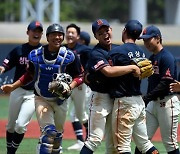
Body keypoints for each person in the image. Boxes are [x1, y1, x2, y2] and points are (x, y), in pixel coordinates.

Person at [1, 23, 83, 154]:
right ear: (48, 36)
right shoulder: (36, 55)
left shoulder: (69, 56)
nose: (57, 37)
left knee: (57, 136)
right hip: (41, 98)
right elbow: (29, 75)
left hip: (60, 100)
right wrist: (13, 86)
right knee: (48, 132)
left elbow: (80, 76)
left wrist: (70, 86)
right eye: (54, 34)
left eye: (60, 34)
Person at [80, 19, 142, 154]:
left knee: (112, 144)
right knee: (94, 139)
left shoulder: (117, 49)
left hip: (116, 99)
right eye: (100, 33)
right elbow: (106, 72)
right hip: (100, 99)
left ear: (111, 30)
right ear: (96, 37)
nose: (105, 34)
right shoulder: (96, 53)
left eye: (107, 30)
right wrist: (132, 67)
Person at [108, 20, 159, 154]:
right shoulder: (141, 52)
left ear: (124, 31)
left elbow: (107, 73)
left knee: (122, 147)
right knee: (145, 144)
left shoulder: (117, 51)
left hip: (124, 102)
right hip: (139, 102)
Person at [0, 21, 43, 154]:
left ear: (42, 34)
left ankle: (11, 152)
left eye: (39, 31)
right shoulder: (19, 50)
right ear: (27, 32)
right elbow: (6, 64)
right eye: (33, 30)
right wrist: (2, 68)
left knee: (20, 125)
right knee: (11, 125)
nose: (36, 33)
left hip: (33, 94)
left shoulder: (43, 52)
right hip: (17, 91)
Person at [136, 25, 180, 154]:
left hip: (167, 103)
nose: (145, 43)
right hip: (153, 104)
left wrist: (146, 97)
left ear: (158, 38)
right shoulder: (152, 59)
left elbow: (165, 83)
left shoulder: (166, 57)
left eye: (148, 39)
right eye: (143, 40)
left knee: (170, 142)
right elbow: (151, 82)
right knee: (142, 141)